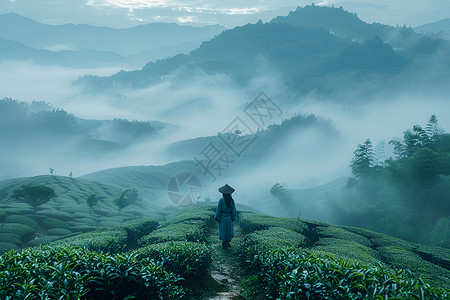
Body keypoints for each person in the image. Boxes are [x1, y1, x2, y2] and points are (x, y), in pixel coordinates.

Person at [215, 184, 237, 249]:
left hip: (222, 217)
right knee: (229, 230)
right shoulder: (231, 200)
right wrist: (233, 217)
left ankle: (224, 242)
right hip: (229, 217)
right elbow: (233, 209)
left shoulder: (221, 200)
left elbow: (218, 209)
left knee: (223, 230)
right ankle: (227, 242)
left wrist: (217, 217)